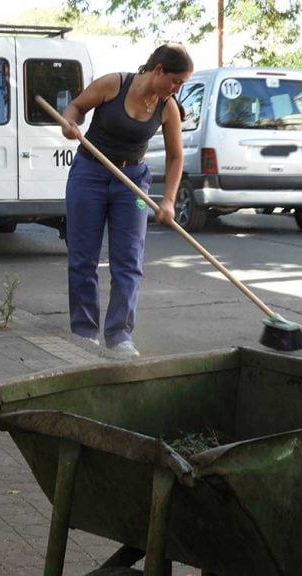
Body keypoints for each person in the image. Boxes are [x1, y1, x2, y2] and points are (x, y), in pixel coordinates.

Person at [59, 43, 194, 358]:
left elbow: (176, 158)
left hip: (132, 182)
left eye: (182, 84)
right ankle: (84, 331)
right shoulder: (113, 84)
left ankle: (120, 335)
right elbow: (75, 107)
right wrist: (69, 123)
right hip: (89, 174)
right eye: (176, 81)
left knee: (129, 262)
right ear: (158, 69)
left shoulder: (168, 107)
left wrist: (170, 201)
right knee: (83, 258)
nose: (177, 89)